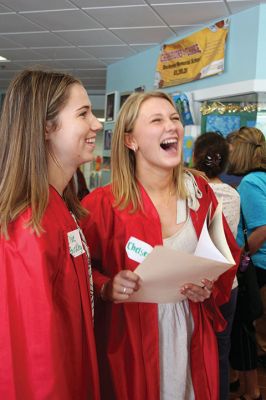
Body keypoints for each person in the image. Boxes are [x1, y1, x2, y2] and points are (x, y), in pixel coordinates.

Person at [81, 91, 240, 400]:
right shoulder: (102, 205)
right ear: (131, 140)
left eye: (175, 118)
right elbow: (81, 273)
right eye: (157, 120)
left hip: (191, 337)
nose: (172, 126)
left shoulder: (200, 194)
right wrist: (106, 286)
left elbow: (224, 256)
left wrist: (209, 288)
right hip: (132, 348)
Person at [0, 69, 102, 399]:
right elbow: (33, 356)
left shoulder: (57, 207)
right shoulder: (29, 224)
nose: (97, 124)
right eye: (83, 113)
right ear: (46, 127)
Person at [193, 131, 240, 400]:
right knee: (222, 352)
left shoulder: (194, 193)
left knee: (196, 349)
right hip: (229, 283)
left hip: (199, 284)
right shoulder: (233, 196)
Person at [228, 126, 266, 400]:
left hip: (260, 265)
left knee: (244, 328)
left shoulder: (251, 182)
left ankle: (249, 390)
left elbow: (261, 228)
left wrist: (240, 255)